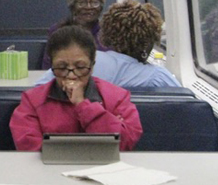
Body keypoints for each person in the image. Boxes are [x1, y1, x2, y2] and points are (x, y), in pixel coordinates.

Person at [11, 25, 142, 151]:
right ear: (51, 66)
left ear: (92, 65)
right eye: (62, 68)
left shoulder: (117, 97)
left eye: (80, 67)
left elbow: (124, 143)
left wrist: (83, 105)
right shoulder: (33, 100)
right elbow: (29, 149)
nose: (71, 75)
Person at [36, 0, 181, 88]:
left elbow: (37, 91)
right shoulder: (157, 78)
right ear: (149, 43)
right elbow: (185, 103)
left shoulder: (81, 64)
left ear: (105, 35)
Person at [41, 0, 109, 69]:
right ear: (72, 7)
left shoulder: (108, 32)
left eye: (95, 2)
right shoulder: (58, 31)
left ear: (101, 7)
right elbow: (48, 66)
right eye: (82, 2)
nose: (88, 7)